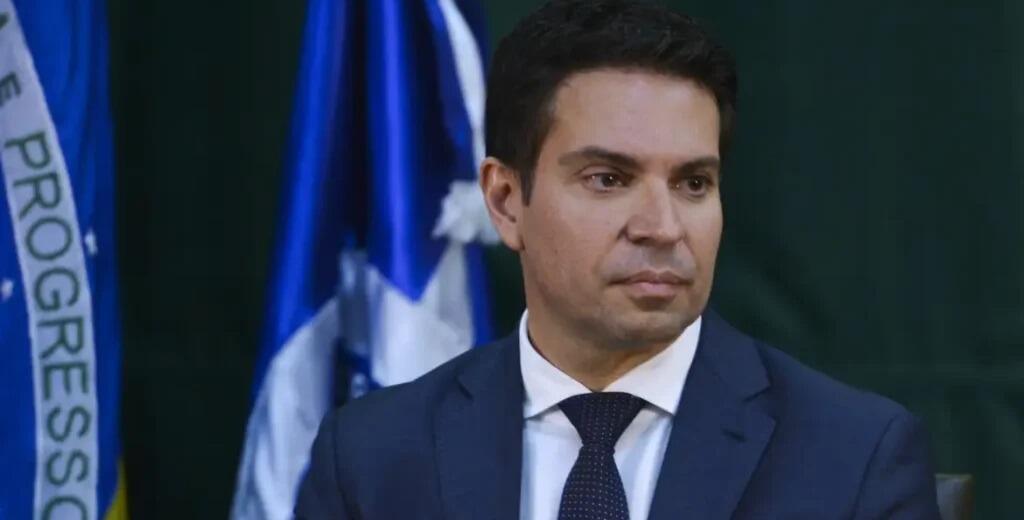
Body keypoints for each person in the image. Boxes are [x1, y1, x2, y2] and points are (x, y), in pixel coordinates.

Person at [295, 0, 942, 518]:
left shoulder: (855, 459)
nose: (663, 227)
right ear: (505, 200)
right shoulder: (370, 457)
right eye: (608, 179)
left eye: (693, 183)